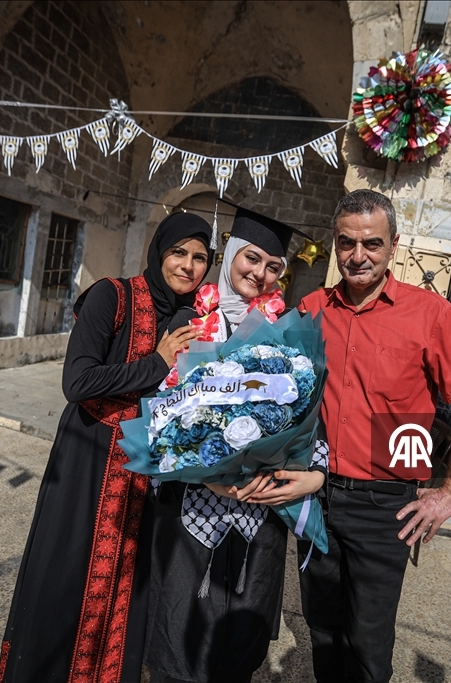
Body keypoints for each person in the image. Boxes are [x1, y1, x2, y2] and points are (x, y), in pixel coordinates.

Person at [0, 213, 212, 683]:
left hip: (144, 477)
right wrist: (156, 362)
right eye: (178, 252)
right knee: (67, 577)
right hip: (87, 464)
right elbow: (77, 381)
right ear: (158, 252)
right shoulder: (112, 296)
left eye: (200, 257)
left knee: (126, 584)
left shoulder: (194, 318)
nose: (188, 266)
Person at [297, 189, 451, 683]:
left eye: (372, 243)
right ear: (334, 243)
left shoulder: (430, 314)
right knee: (321, 629)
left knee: (367, 642)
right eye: (346, 242)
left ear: (394, 245)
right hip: (315, 497)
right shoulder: (311, 309)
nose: (358, 255)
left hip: (385, 509)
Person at [144, 205, 327, 683]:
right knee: (178, 635)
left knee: (238, 649)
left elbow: (310, 415)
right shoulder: (186, 321)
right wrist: (207, 474)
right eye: (252, 258)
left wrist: (310, 472)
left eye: (273, 266)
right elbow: (157, 414)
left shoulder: (287, 331)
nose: (260, 274)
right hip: (191, 508)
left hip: (258, 511)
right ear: (230, 256)